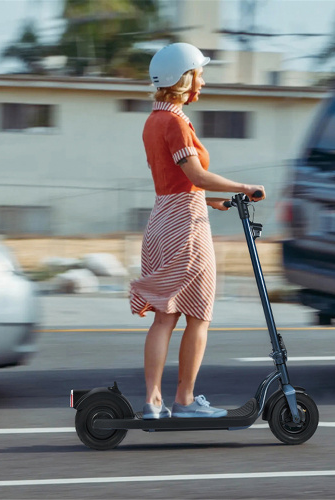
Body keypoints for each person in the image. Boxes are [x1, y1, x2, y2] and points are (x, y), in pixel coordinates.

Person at [130, 43, 265, 419]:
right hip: (184, 227)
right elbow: (196, 175)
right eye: (199, 75)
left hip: (161, 219)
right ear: (181, 78)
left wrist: (210, 201)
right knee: (198, 315)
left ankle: (152, 401)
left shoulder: (152, 121)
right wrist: (243, 188)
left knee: (164, 315)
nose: (202, 82)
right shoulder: (175, 122)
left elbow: (172, 182)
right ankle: (185, 401)